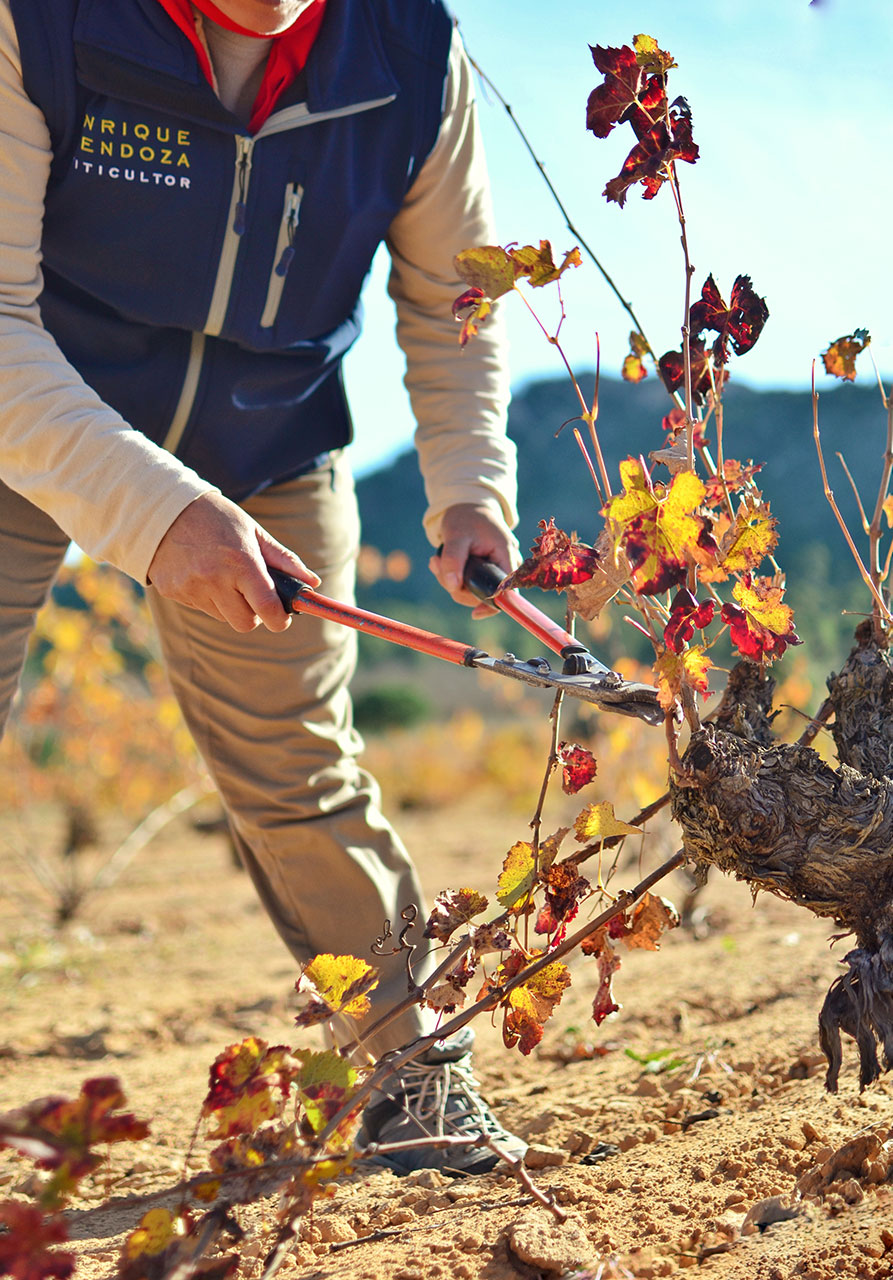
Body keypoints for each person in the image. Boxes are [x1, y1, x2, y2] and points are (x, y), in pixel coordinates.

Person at [0, 0, 524, 1172]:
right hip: (29, 411)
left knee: (298, 766)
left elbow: (455, 297)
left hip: (270, 440)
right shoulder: (39, 21)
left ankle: (412, 1072)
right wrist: (158, 513)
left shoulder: (410, 54)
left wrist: (468, 485)